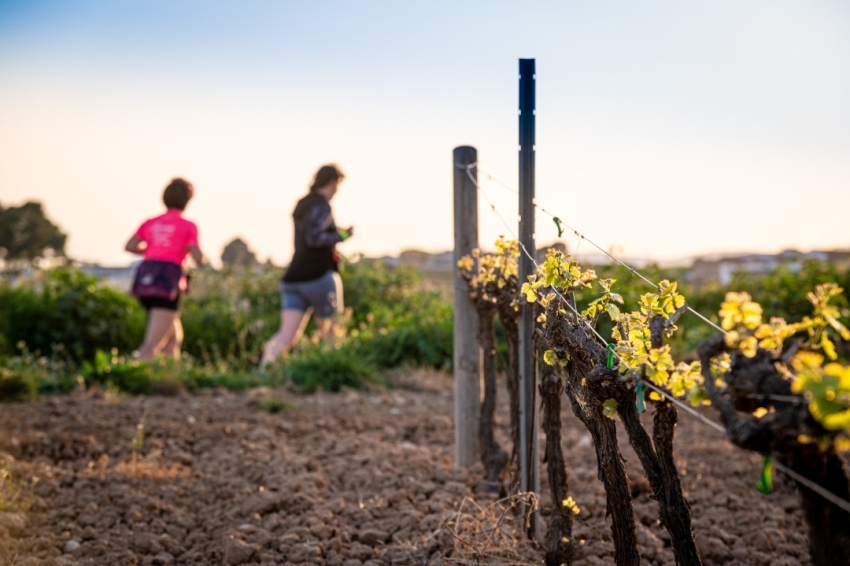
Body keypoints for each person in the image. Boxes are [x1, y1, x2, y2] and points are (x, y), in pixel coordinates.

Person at [260, 164, 353, 368]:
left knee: (286, 335)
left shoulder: (302, 204)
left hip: (293, 277)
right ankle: (331, 373)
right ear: (332, 182)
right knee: (330, 333)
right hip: (319, 276)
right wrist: (343, 235)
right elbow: (315, 237)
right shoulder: (322, 205)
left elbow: (308, 231)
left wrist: (334, 230)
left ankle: (263, 373)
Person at [125, 178, 206, 361]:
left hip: (145, 282)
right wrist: (201, 258)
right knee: (152, 344)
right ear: (187, 201)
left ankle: (168, 378)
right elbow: (198, 256)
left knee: (173, 338)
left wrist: (151, 249)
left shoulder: (150, 222)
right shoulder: (188, 226)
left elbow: (129, 246)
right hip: (167, 284)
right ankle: (136, 377)